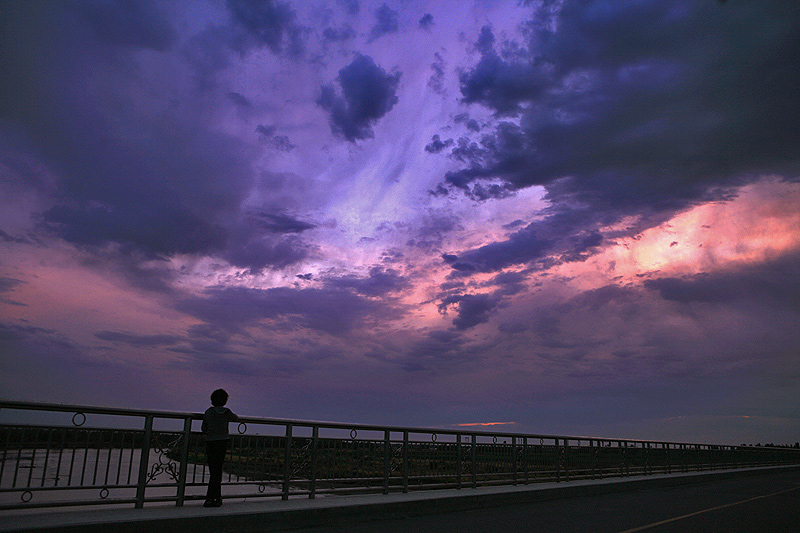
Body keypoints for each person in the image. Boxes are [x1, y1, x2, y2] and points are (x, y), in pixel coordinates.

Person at [201, 388, 238, 507]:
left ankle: (210, 498)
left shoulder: (208, 412)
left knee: (213, 470)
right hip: (222, 442)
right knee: (218, 470)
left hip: (210, 442)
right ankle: (216, 497)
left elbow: (204, 429)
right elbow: (235, 418)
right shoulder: (227, 412)